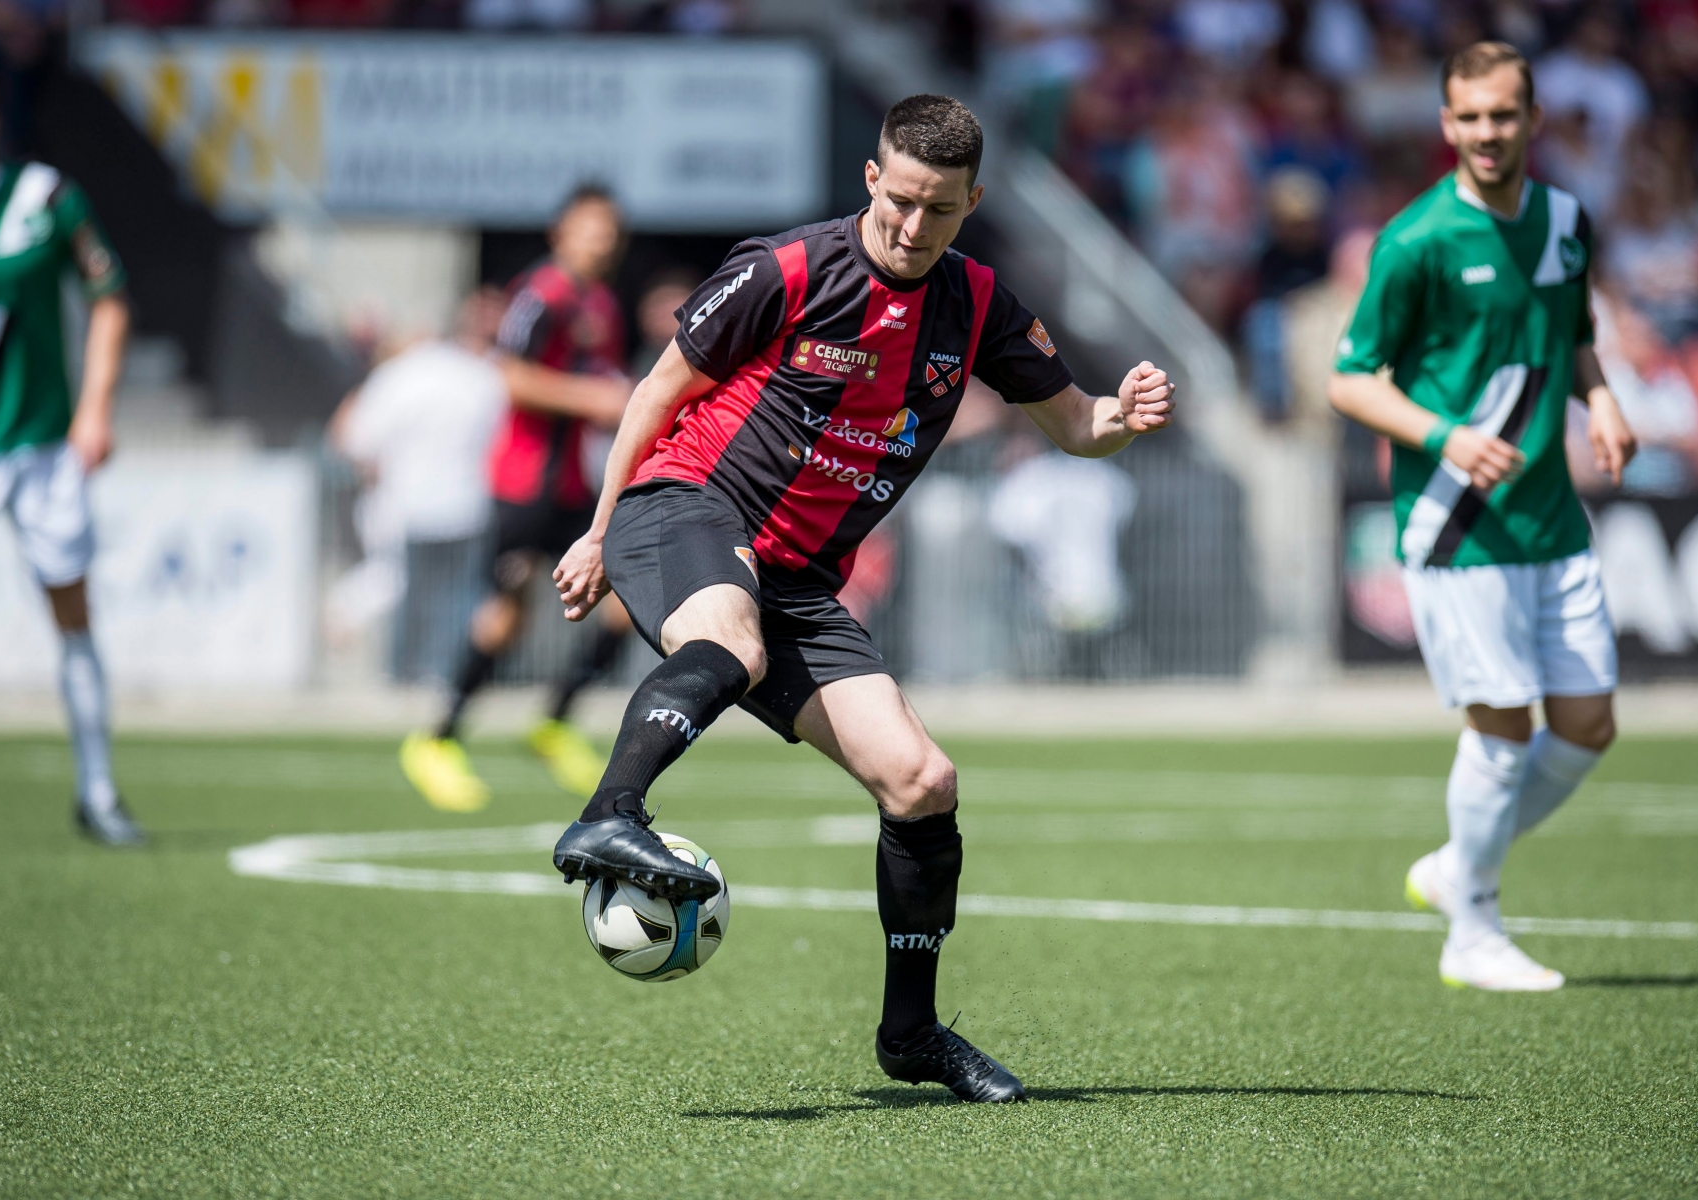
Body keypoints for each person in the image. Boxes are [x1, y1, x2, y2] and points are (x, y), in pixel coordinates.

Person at [549, 94, 1172, 1101]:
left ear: (971, 201)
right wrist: (595, 527)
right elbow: (655, 392)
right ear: (872, 178)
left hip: (793, 579)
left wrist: (1122, 414)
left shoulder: (975, 306)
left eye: (938, 209)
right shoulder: (786, 268)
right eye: (898, 200)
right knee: (732, 638)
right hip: (684, 506)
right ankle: (608, 813)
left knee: (921, 781)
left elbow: (1073, 422)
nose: (909, 226)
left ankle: (911, 1033)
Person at [1327, 43, 1638, 992]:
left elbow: (1571, 332)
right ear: (1446, 124)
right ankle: (1474, 929)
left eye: (1502, 114)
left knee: (1586, 725)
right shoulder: (1416, 240)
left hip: (1551, 515)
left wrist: (1604, 397)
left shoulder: (1567, 220)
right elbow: (1349, 380)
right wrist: (1446, 436)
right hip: (1459, 523)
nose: (1485, 133)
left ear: (1533, 120)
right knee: (1501, 732)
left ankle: (1456, 867)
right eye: (1468, 116)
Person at [400, 186, 635, 812]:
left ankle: (554, 722)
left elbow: (601, 387)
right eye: (589, 228)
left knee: (622, 596)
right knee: (507, 613)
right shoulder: (541, 294)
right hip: (523, 482)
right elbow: (508, 375)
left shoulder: (603, 304)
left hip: (572, 487)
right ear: (562, 231)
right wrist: (595, 401)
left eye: (609, 230)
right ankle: (438, 738)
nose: (600, 240)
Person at [0, 68, 137, 844]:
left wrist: (95, 408)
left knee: (72, 616)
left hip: (40, 444)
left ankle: (98, 791)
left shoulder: (44, 198)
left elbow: (108, 296)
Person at [330, 289, 509, 682]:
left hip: (401, 502)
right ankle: (447, 675)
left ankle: (397, 663)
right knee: (458, 595)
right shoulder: (483, 376)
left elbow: (356, 441)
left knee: (398, 581)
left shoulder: (396, 376)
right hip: (467, 503)